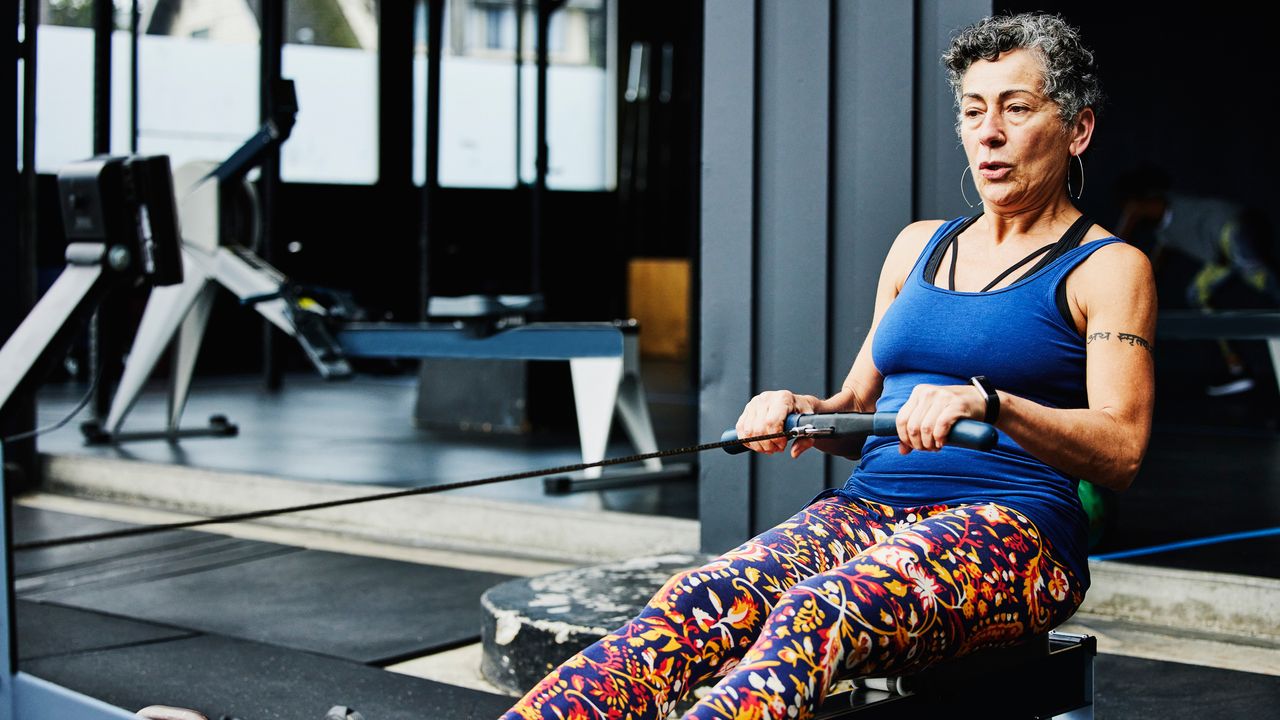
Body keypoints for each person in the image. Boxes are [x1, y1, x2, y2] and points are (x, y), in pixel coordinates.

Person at [501, 12, 1155, 720]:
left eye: (1016, 109)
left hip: (1016, 531)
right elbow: (857, 407)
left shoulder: (1110, 268)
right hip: (869, 509)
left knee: (819, 612)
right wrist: (800, 414)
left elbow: (1120, 451)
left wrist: (991, 405)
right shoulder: (917, 248)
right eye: (972, 111)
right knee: (695, 601)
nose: (988, 132)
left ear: (1077, 129)